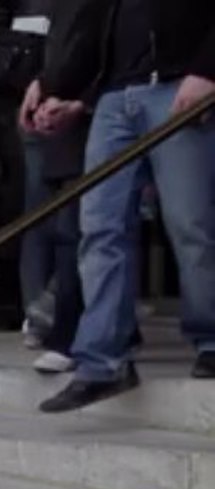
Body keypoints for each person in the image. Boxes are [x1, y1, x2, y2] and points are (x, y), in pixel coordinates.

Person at [35, 0, 215, 413]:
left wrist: (208, 69)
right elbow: (91, 29)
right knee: (99, 226)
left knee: (191, 223)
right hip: (115, 98)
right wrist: (57, 89)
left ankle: (211, 338)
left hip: (177, 86)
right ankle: (102, 362)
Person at [14, 0, 91, 373]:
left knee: (76, 226)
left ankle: (57, 317)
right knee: (51, 222)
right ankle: (43, 314)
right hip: (49, 107)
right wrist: (41, 85)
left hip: (82, 108)